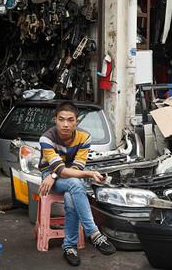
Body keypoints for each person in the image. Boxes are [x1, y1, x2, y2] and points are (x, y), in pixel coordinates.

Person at [38, 101, 116, 267]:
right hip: (49, 177)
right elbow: (60, 169)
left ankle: (69, 246)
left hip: (68, 177)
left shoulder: (84, 137)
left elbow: (76, 166)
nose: (65, 124)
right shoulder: (46, 138)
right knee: (75, 183)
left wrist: (58, 173)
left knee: (71, 194)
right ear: (55, 120)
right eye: (61, 119)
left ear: (77, 121)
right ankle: (93, 233)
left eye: (70, 120)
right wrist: (54, 174)